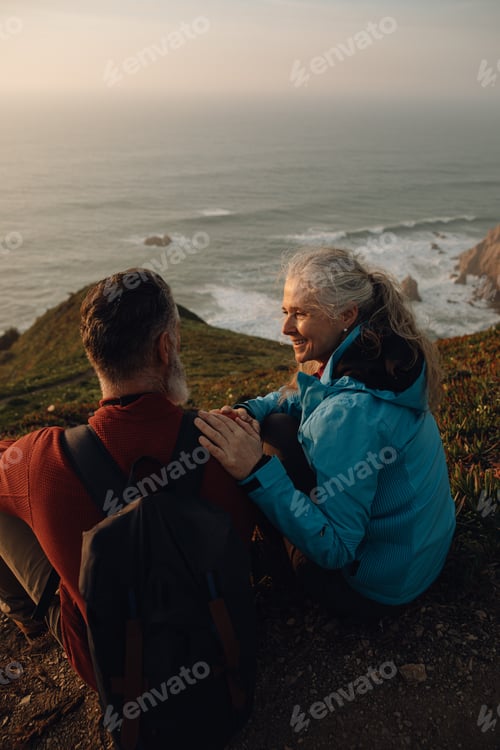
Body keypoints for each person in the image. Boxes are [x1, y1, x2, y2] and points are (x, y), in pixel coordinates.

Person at [0, 268, 257, 688]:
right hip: (219, 645)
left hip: (121, 674)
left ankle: (28, 621)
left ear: (92, 355)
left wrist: (21, 450)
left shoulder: (42, 460)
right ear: (165, 346)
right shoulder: (224, 439)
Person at [195, 248, 456, 620]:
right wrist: (250, 409)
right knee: (276, 425)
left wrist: (254, 470)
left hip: (376, 591)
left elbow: (336, 550)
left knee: (270, 443)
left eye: (300, 314)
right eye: (285, 311)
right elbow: (311, 393)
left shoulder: (349, 413)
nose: (285, 328)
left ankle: (271, 571)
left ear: (346, 315)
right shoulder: (384, 355)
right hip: (417, 559)